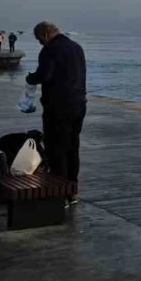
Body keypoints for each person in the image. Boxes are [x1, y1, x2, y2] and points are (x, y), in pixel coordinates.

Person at [25, 22, 87, 201]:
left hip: (58, 107)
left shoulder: (50, 50)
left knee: (56, 149)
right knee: (72, 147)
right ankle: (72, 190)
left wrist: (31, 78)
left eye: (39, 39)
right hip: (78, 104)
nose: (40, 43)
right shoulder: (77, 47)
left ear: (45, 34)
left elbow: (45, 76)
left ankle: (59, 193)